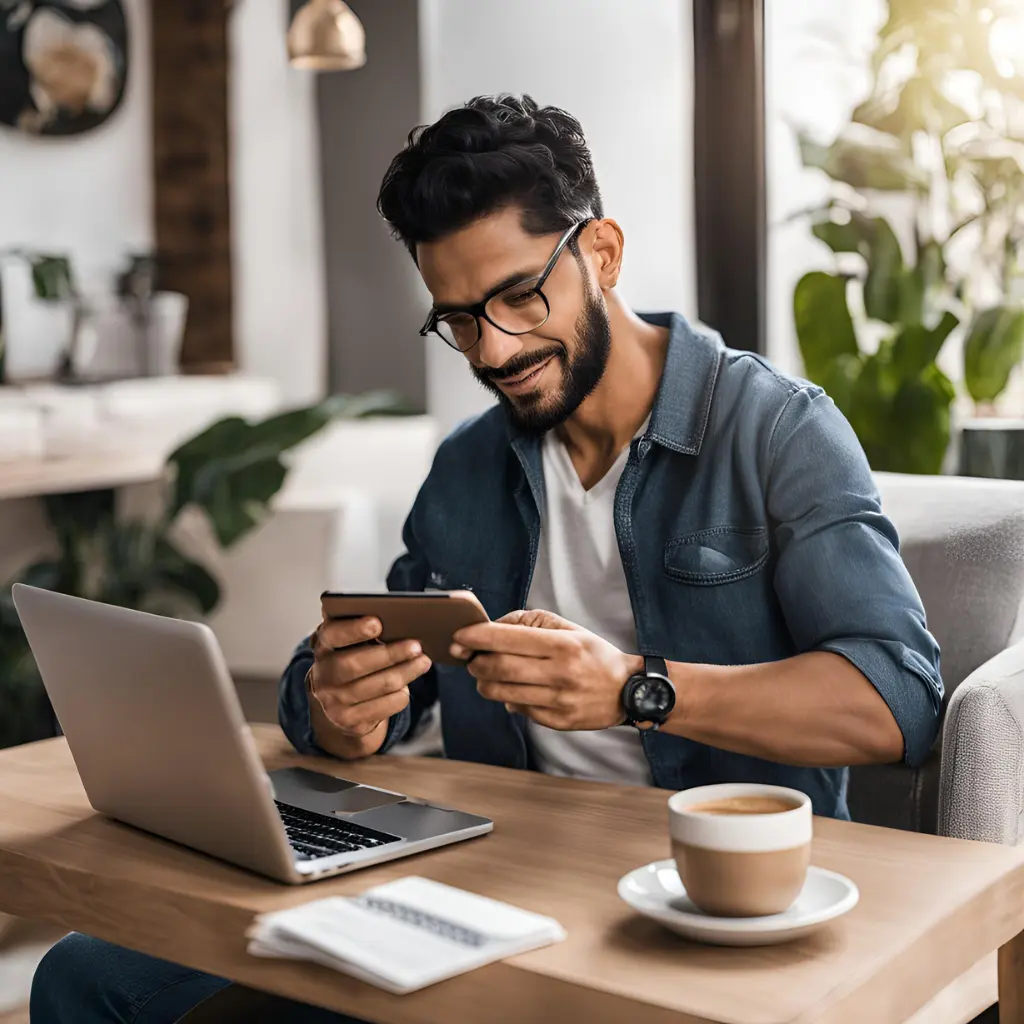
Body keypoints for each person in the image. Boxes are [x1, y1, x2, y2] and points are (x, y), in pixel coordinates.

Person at [32, 94, 943, 1024]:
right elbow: (382, 686)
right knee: (84, 976)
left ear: (603, 253)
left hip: (702, 898)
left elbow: (899, 699)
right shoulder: (469, 467)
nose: (494, 349)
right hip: (484, 878)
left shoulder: (776, 429)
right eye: (460, 319)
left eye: (518, 296)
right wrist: (346, 707)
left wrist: (636, 688)